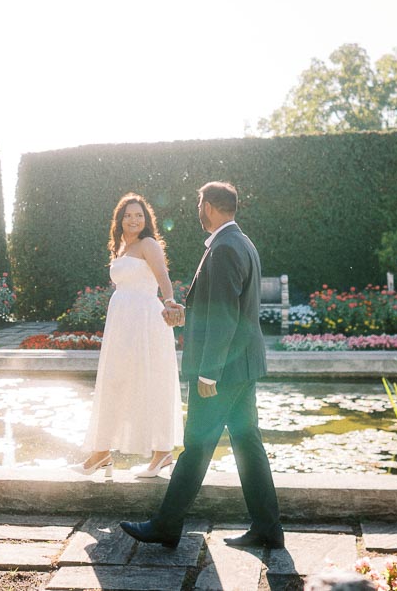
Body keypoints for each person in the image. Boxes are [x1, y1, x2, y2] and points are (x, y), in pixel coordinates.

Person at [121, 181, 284, 550]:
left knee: (196, 445)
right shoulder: (241, 243)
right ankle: (268, 528)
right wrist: (185, 314)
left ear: (209, 206)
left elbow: (227, 316)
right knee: (247, 442)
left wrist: (209, 370)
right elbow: (223, 307)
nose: (197, 210)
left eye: (199, 204)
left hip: (223, 369)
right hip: (241, 365)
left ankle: (166, 525)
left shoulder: (225, 248)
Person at [77, 193, 184, 478]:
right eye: (128, 215)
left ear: (146, 219)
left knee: (151, 381)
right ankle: (102, 453)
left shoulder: (149, 244)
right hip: (122, 321)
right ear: (120, 220)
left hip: (145, 320)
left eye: (139, 215)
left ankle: (161, 452)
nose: (134, 219)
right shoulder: (122, 247)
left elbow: (163, 276)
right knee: (115, 381)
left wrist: (170, 301)